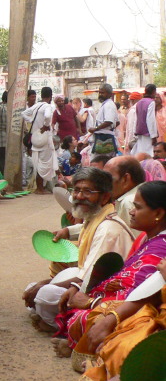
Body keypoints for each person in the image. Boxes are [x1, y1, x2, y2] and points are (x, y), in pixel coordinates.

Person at [55, 181, 166, 369]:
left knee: (95, 320)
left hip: (146, 310)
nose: (131, 212)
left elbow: (142, 295)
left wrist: (93, 302)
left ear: (158, 214)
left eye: (137, 208)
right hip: (126, 300)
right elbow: (125, 277)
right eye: (77, 191)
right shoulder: (146, 236)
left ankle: (98, 358)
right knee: (79, 310)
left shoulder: (160, 245)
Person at [22, 168, 134, 333]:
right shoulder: (97, 216)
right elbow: (82, 227)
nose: (79, 196)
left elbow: (88, 279)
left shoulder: (108, 230)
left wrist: (43, 285)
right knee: (34, 289)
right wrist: (67, 231)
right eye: (76, 190)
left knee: (45, 294)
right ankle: (49, 315)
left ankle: (61, 325)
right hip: (87, 281)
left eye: (88, 191)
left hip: (105, 293)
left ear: (104, 197)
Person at [22, 86, 57, 194]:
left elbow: (23, 114)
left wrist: (32, 120)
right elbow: (47, 116)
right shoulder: (47, 106)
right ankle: (40, 188)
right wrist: (46, 126)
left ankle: (40, 187)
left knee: (37, 162)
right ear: (50, 96)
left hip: (35, 138)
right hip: (44, 138)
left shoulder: (36, 106)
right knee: (44, 163)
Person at [103, 156, 146, 239]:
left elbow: (138, 243)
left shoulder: (129, 201)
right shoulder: (141, 194)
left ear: (126, 179)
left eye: (107, 180)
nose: (104, 185)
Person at [90, 84, 119, 158]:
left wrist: (96, 129)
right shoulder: (106, 104)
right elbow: (117, 122)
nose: (100, 95)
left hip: (105, 138)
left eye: (102, 93)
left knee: (100, 160)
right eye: (99, 92)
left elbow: (109, 121)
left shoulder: (109, 105)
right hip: (103, 135)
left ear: (109, 94)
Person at [131, 84, 159, 156]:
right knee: (148, 154)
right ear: (153, 92)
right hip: (148, 133)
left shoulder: (139, 102)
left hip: (140, 132)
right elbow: (150, 120)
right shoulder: (151, 102)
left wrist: (135, 131)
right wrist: (153, 136)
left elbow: (136, 118)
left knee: (141, 152)